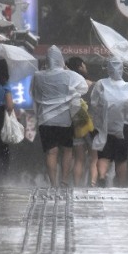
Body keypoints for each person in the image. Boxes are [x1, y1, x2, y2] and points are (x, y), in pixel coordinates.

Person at [31, 46, 89, 187]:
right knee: (67, 150)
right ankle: (64, 181)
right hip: (65, 119)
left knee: (51, 152)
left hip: (45, 119)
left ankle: (53, 184)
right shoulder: (69, 76)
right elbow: (84, 87)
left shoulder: (38, 76)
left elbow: (33, 93)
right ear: (60, 60)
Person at [90, 57, 128, 188]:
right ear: (122, 70)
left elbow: (94, 103)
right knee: (121, 159)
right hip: (123, 128)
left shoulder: (101, 84)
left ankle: (101, 176)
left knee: (103, 156)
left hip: (103, 127)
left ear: (109, 69)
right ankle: (121, 185)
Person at [66, 56, 98, 187]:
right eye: (84, 65)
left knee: (79, 158)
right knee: (94, 158)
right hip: (92, 125)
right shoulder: (93, 85)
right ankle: (92, 184)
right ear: (80, 67)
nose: (86, 67)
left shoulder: (69, 85)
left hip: (76, 124)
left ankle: (77, 185)